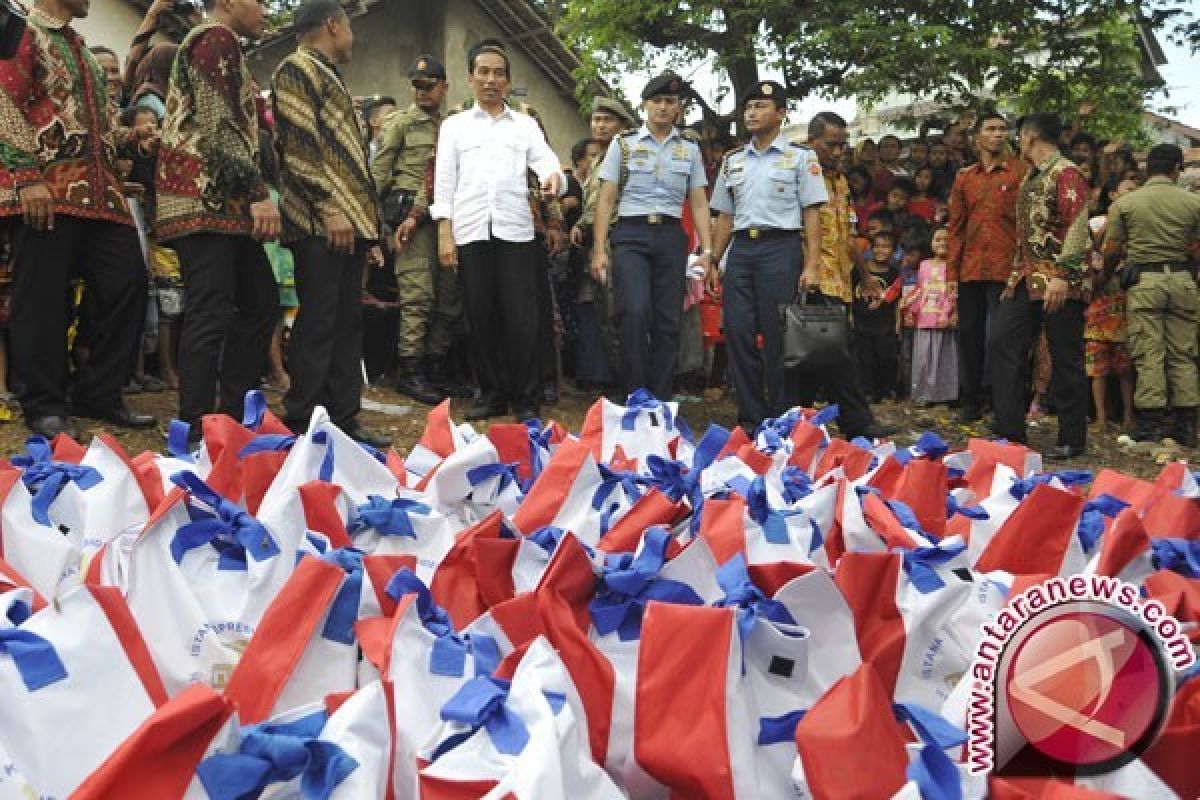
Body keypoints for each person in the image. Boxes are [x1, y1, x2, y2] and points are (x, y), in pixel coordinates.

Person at [0, 0, 156, 438]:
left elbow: (92, 124)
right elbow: (4, 102)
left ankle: (98, 392)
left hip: (101, 194)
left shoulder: (83, 49)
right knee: (43, 298)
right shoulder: (21, 31)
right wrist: (26, 176)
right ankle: (44, 404)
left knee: (128, 282)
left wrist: (131, 136)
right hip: (46, 188)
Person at [156, 0, 282, 436]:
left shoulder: (219, 43)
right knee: (211, 309)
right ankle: (195, 421)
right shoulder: (216, 39)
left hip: (219, 202)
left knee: (260, 300)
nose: (266, 9)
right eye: (259, 1)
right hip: (205, 199)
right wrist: (257, 192)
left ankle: (231, 409)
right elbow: (218, 125)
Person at [271, 0, 388, 445]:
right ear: (334, 27)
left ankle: (344, 418)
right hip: (322, 222)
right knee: (319, 320)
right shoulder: (296, 69)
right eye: (351, 30)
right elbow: (301, 149)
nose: (353, 39)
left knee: (345, 323)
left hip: (349, 223)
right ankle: (305, 418)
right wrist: (330, 209)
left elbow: (351, 161)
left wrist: (368, 228)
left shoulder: (328, 74)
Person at [431, 43, 566, 421]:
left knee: (522, 318)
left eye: (498, 73)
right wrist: (446, 232)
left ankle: (526, 397)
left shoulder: (524, 126)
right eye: (483, 72)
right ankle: (491, 393)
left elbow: (547, 162)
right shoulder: (454, 126)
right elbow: (444, 184)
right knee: (480, 315)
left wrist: (553, 178)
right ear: (470, 77)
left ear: (508, 81)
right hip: (472, 231)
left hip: (516, 231)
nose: (491, 80)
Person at [708, 81, 828, 428]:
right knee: (738, 332)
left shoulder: (801, 158)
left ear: (780, 113)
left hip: (781, 248)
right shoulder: (733, 161)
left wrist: (812, 264)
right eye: (748, 107)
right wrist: (714, 260)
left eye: (761, 106)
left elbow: (812, 214)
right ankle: (750, 415)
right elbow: (725, 216)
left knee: (779, 337)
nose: (752, 113)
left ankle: (781, 416)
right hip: (742, 249)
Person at [590, 73, 713, 401]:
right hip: (631, 234)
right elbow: (606, 197)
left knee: (668, 318)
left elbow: (699, 200)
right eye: (656, 101)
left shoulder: (689, 148)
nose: (662, 107)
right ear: (644, 105)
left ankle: (660, 399)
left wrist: (708, 249)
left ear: (678, 108)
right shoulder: (625, 144)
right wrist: (599, 249)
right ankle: (634, 392)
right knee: (635, 311)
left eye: (670, 102)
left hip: (672, 236)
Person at [990, 112, 1091, 460]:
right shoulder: (1032, 176)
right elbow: (1025, 237)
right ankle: (1009, 428)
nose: (1017, 143)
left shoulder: (1067, 173)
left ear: (1030, 136)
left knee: (1065, 356)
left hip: (1061, 279)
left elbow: (1078, 226)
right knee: (1003, 341)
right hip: (1026, 277)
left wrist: (1063, 274)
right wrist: (1012, 277)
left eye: (1019, 137)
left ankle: (1072, 436)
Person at [798, 111, 895, 439]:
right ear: (812, 143)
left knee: (822, 353)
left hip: (840, 280)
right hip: (813, 277)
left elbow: (848, 237)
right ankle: (857, 422)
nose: (838, 152)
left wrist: (866, 277)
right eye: (831, 145)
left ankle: (799, 419)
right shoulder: (798, 175)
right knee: (837, 351)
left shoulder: (840, 182)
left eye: (842, 145)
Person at [371, 55, 455, 406]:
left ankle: (435, 367)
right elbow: (378, 175)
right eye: (416, 86)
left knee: (451, 299)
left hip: (448, 218)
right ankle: (411, 371)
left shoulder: (454, 126)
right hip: (411, 223)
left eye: (429, 86)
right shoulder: (400, 123)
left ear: (444, 87)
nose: (422, 92)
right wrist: (374, 228)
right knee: (418, 296)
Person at [1104, 143, 1200, 446]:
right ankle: (1186, 426)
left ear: (1147, 169)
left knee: (1149, 352)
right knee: (1183, 353)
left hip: (1145, 281)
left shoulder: (1127, 203)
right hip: (1183, 279)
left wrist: (1109, 276)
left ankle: (1151, 425)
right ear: (1176, 170)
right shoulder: (1194, 202)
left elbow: (1111, 249)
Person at [946, 111, 1027, 423]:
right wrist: (951, 274)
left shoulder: (1021, 172)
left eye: (1002, 129)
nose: (998, 134)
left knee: (1002, 339)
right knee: (969, 335)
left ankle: (1002, 403)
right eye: (991, 129)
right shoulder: (965, 177)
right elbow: (955, 228)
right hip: (970, 268)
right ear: (977, 137)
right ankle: (971, 401)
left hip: (1008, 270)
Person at [571, 96, 637, 390]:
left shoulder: (627, 154)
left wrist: (585, 224)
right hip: (596, 240)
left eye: (607, 120)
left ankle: (625, 383)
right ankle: (615, 381)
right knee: (603, 312)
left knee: (616, 312)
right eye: (596, 119)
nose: (599, 125)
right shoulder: (599, 158)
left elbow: (608, 202)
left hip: (616, 237)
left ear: (621, 125)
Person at [1086, 177, 1138, 432]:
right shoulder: (1096, 224)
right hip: (1098, 304)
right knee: (1097, 368)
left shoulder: (1139, 226)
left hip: (1125, 304)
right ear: (1113, 194)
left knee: (1125, 367)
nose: (1133, 193)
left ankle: (1128, 416)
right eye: (1128, 189)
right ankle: (1101, 417)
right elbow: (1091, 254)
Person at [910, 227, 958, 404]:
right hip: (925, 317)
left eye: (947, 239)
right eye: (938, 239)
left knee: (944, 358)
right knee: (924, 358)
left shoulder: (954, 266)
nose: (943, 243)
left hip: (945, 318)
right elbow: (919, 289)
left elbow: (955, 292)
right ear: (931, 243)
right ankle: (923, 395)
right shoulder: (924, 265)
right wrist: (911, 310)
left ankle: (945, 396)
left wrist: (953, 313)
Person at [853, 229, 900, 403]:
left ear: (894, 250)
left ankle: (886, 391)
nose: (881, 250)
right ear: (870, 249)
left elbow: (897, 300)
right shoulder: (859, 271)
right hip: (861, 321)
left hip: (884, 323)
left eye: (886, 246)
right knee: (865, 358)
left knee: (885, 357)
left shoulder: (895, 273)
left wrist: (897, 322)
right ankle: (868, 391)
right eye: (877, 246)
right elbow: (851, 296)